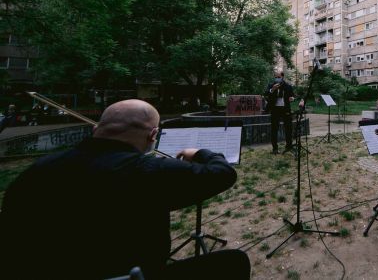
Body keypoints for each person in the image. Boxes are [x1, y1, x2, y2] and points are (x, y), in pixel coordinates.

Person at [0, 99, 249, 279]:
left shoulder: (35, 173)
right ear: (153, 135)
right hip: (132, 274)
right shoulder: (146, 172)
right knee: (233, 262)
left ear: (95, 129)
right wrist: (200, 153)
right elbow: (222, 174)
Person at [265, 70, 295, 154]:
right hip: (275, 109)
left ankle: (288, 146)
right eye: (275, 77)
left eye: (279, 77)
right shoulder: (271, 85)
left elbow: (292, 96)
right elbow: (266, 94)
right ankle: (275, 149)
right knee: (274, 129)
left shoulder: (288, 86)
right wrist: (272, 89)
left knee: (288, 128)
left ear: (282, 77)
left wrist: (292, 99)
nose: (277, 79)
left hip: (285, 109)